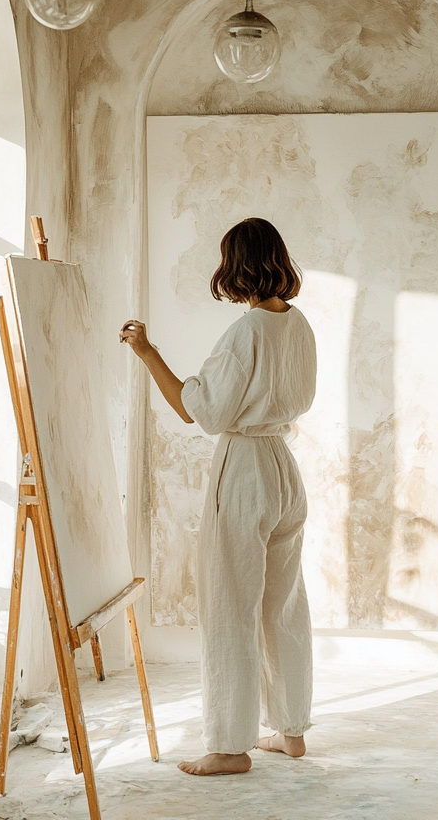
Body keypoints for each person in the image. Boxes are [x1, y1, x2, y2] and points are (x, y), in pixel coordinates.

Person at [120, 217, 317, 776]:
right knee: (282, 605)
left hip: (247, 469)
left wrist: (146, 351)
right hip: (283, 466)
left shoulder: (246, 331)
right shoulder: (297, 324)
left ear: (238, 264)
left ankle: (231, 746)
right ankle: (291, 730)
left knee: (230, 606)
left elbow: (198, 411)